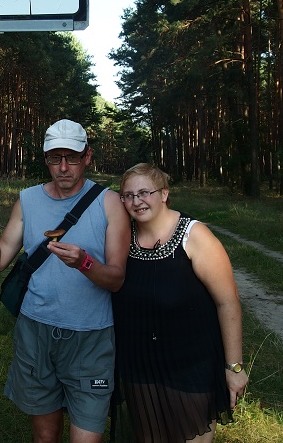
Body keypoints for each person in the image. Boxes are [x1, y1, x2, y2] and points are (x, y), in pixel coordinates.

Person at [0, 118, 130, 443]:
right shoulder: (28, 200)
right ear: (45, 159)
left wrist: (84, 263)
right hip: (35, 333)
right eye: (55, 158)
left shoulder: (109, 203)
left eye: (72, 158)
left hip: (90, 338)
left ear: (87, 157)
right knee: (45, 436)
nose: (63, 168)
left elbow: (116, 279)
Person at [110, 163, 248, 443]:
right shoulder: (123, 237)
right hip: (140, 367)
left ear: (164, 194)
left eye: (145, 192)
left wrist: (234, 367)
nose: (137, 201)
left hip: (191, 366)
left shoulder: (194, 236)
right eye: (128, 195)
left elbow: (228, 303)